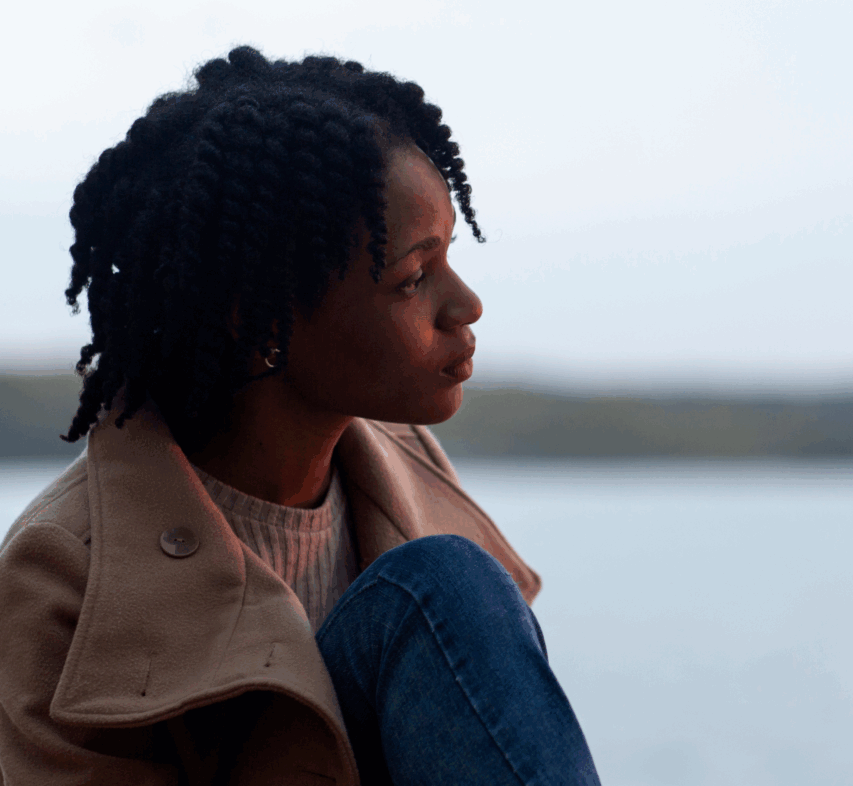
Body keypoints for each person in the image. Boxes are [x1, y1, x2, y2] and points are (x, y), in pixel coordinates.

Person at [0, 46, 602, 785]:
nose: (466, 304)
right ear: (261, 321)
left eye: (448, 256)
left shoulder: (401, 472)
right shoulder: (63, 569)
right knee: (439, 584)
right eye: (414, 276)